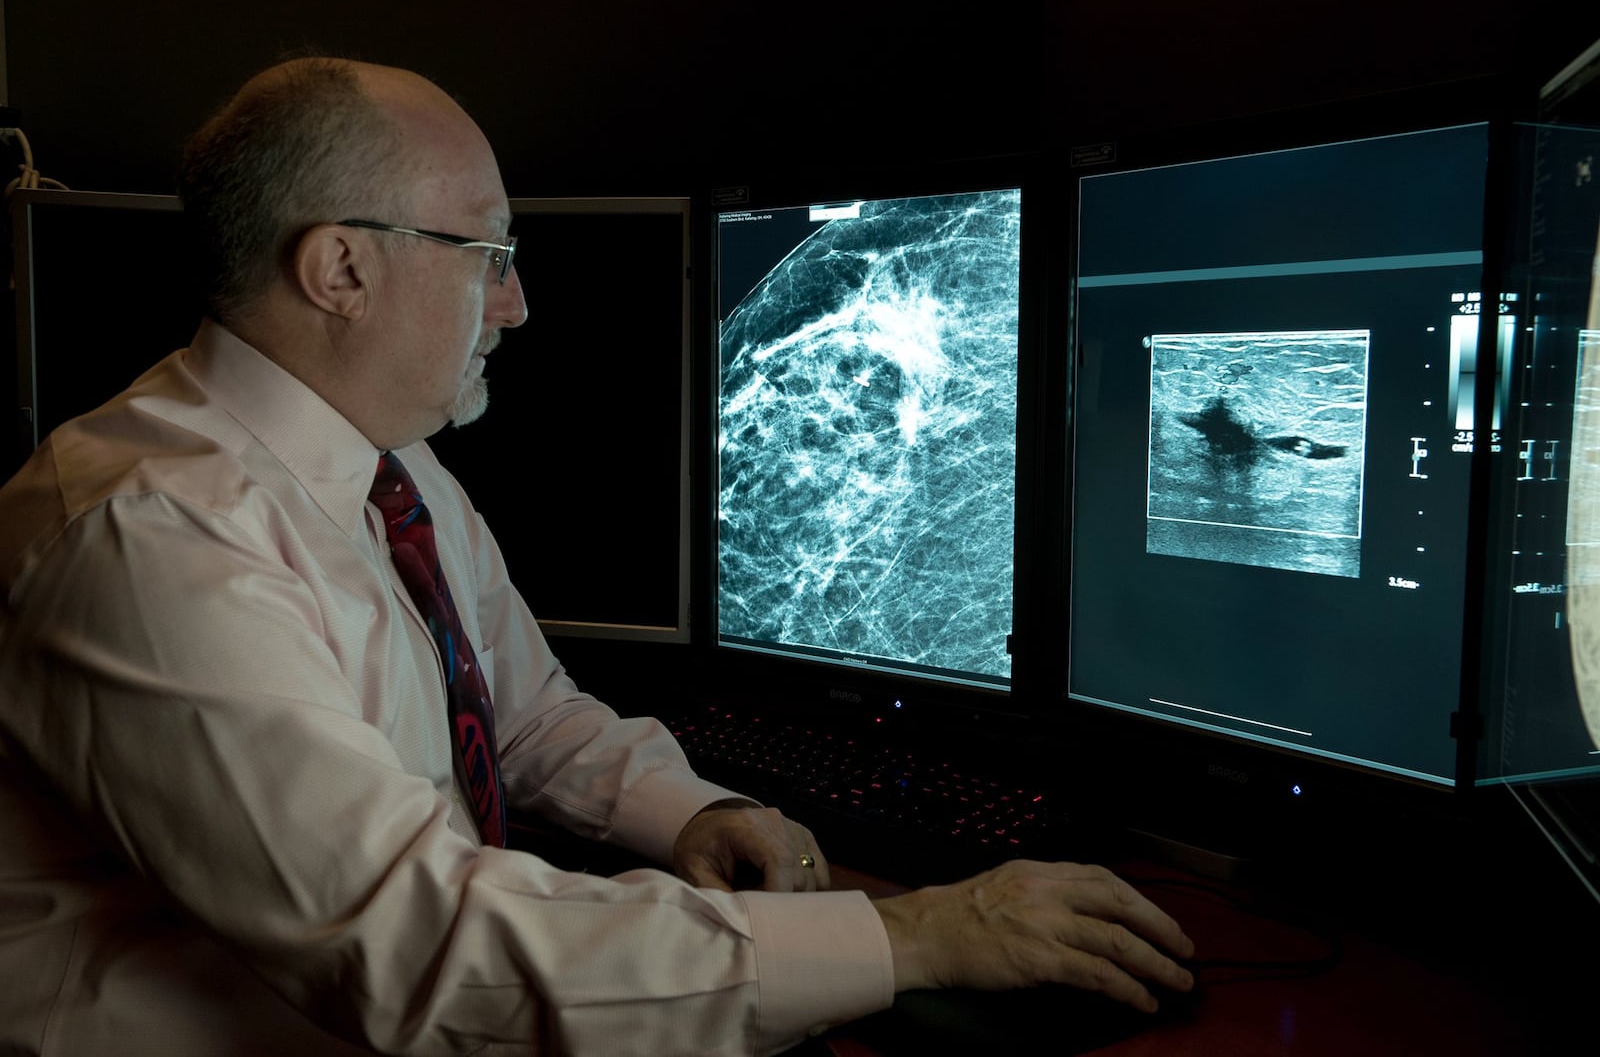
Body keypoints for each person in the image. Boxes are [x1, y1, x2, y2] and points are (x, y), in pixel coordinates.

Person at [0, 57, 1194, 1056]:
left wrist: (686, 810)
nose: (514, 305)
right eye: (489, 254)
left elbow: (523, 719)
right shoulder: (152, 535)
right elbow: (420, 948)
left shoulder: (385, 471)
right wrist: (919, 936)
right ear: (342, 269)